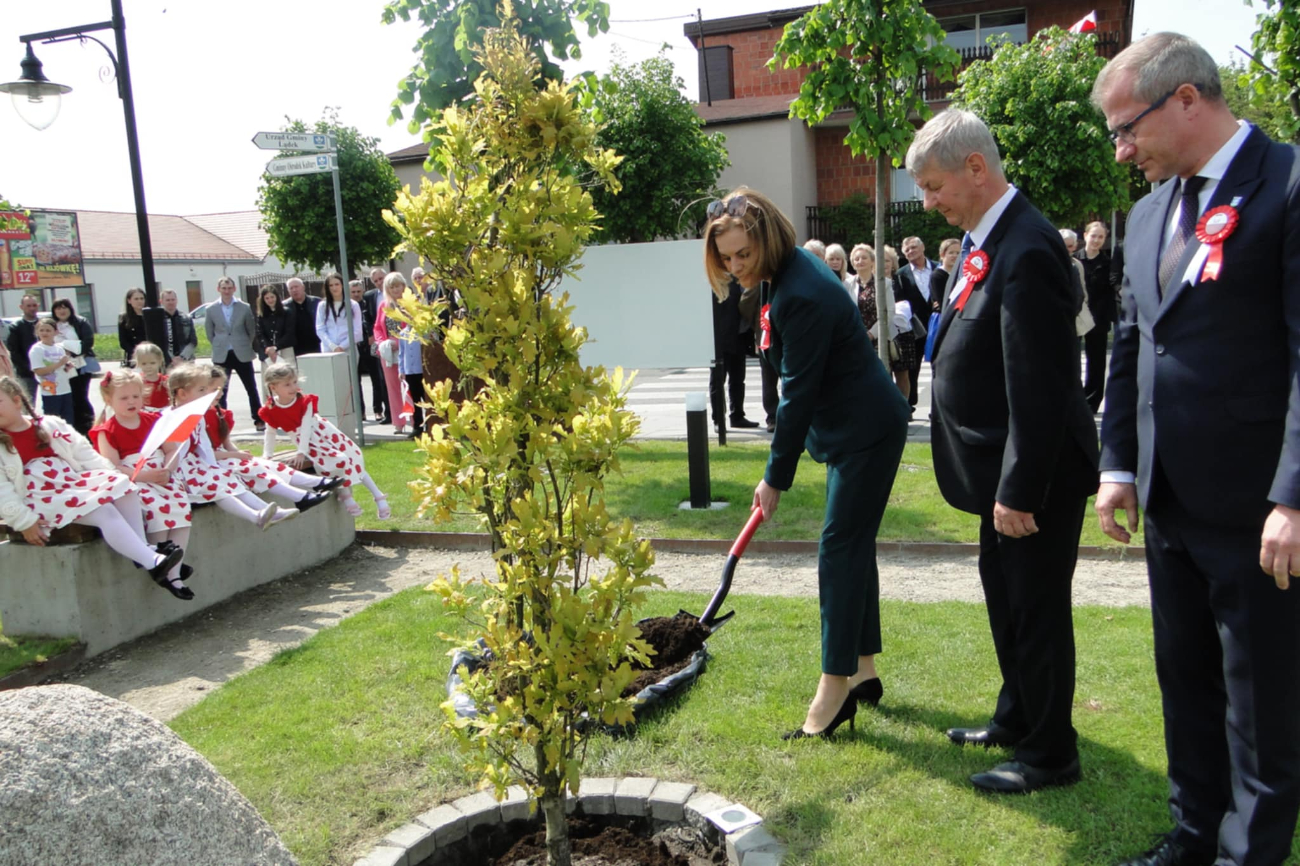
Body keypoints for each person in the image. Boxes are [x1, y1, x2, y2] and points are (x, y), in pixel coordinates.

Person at [1093, 33, 1300, 866]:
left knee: (1260, 697)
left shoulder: (1288, 184)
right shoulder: (1149, 213)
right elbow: (1130, 343)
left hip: (1258, 507)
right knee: (1184, 678)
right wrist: (1118, 464)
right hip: (1170, 498)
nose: (1121, 150)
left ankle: (1248, 852)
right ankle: (1192, 832)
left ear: (1185, 99)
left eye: (1126, 127)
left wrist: (1294, 495)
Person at [906, 109, 1098, 794]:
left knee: (1036, 612)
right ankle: (1017, 717)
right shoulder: (990, 239)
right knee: (1008, 601)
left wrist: (1019, 490)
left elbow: (1042, 386)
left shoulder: (1029, 245)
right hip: (1000, 475)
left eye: (934, 187)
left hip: (1033, 480)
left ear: (976, 168)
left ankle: (1050, 753)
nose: (929, 204)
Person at [704, 187, 908, 739]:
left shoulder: (803, 293)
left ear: (766, 238)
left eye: (743, 254)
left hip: (867, 433)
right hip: (850, 432)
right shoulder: (782, 275)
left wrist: (775, 476)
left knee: (838, 549)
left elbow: (796, 394)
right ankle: (863, 671)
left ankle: (833, 687)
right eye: (727, 257)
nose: (736, 266)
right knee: (852, 546)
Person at [0, 375, 184, 587]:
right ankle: (152, 561)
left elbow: (85, 454)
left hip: (70, 483)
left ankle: (142, 549)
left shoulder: (49, 424)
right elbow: (2, 490)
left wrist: (109, 476)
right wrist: (24, 521)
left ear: (16, 401)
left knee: (123, 485)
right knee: (104, 511)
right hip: (41, 497)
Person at [91, 369, 194, 600]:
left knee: (180, 508)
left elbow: (171, 450)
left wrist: (167, 469)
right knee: (156, 509)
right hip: (135, 479)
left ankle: (175, 571)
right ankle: (159, 563)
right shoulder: (106, 430)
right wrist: (146, 476)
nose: (131, 402)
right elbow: (114, 466)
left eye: (136, 396)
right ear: (109, 400)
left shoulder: (154, 421)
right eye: (124, 398)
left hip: (161, 473)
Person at [259, 362, 391, 519]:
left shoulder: (304, 400)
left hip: (324, 432)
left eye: (294, 382)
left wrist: (301, 452)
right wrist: (267, 455)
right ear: (273, 387)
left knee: (352, 455)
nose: (293, 387)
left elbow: (307, 425)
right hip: (308, 441)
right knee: (338, 461)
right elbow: (270, 432)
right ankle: (346, 494)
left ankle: (377, 494)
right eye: (287, 384)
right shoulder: (270, 409)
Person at [166, 363, 291, 530]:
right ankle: (255, 516)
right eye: (201, 390)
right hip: (180, 470)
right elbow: (175, 452)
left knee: (226, 477)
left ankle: (267, 511)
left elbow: (204, 447)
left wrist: (213, 467)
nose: (206, 394)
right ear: (182, 393)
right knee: (216, 487)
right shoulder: (174, 418)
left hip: (196, 466)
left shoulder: (196, 416)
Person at [200, 366, 334, 512]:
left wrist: (239, 454)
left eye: (221, 389)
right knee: (252, 469)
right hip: (208, 464)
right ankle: (297, 497)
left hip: (222, 459)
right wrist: (235, 455)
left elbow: (226, 444)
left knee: (264, 464)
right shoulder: (196, 418)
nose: (220, 393)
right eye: (214, 389)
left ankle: (312, 486)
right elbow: (204, 454)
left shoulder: (220, 414)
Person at [205, 276, 264, 432]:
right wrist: (220, 344)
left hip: (241, 352)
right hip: (222, 354)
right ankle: (221, 420)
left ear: (234, 289)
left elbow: (250, 330)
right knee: (220, 390)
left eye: (229, 288)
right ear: (218, 289)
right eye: (224, 288)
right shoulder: (211, 309)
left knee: (251, 388)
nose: (227, 291)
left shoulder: (244, 307)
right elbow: (209, 332)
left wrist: (243, 343)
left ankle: (258, 419)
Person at [710, 277, 757, 430]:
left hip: (738, 335)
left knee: (738, 379)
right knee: (718, 380)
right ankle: (718, 419)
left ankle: (737, 416)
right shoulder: (715, 280)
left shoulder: (739, 279)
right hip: (719, 338)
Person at [1076, 221, 1114, 413]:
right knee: (1072, 359)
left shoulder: (1108, 264)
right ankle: (1074, 400)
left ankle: (1091, 403)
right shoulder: (1074, 260)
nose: (1097, 240)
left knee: (1097, 362)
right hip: (1076, 316)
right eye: (1093, 235)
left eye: (1101, 237)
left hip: (1099, 318)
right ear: (1085, 236)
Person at [896, 237, 937, 413]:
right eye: (907, 250)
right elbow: (900, 301)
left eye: (913, 247)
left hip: (937, 324)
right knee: (912, 368)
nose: (911, 251)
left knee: (940, 366)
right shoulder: (901, 274)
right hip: (914, 328)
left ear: (923, 247)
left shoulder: (938, 268)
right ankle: (910, 403)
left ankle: (939, 406)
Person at [50, 298, 96, 435]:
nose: (62, 311)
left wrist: (73, 352)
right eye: (58, 308)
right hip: (59, 367)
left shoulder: (80, 322)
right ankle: (70, 428)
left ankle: (87, 427)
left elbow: (88, 341)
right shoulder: (51, 324)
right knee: (66, 398)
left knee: (80, 397)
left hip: (80, 365)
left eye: (65, 307)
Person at [373, 272, 411, 435]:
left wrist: (400, 342)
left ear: (403, 286)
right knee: (392, 388)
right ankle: (398, 423)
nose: (395, 289)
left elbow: (415, 326)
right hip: (388, 352)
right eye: (391, 287)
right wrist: (383, 343)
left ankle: (414, 421)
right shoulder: (384, 305)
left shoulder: (410, 304)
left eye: (397, 286)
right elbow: (377, 328)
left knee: (408, 387)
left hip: (407, 350)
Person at [26, 318, 76, 426]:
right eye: (41, 330)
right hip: (50, 392)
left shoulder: (59, 348)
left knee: (68, 422)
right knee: (53, 423)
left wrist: (67, 366)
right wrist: (60, 363)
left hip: (65, 389)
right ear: (37, 332)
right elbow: (39, 371)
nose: (44, 333)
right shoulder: (36, 349)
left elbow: (62, 368)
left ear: (55, 332)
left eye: (48, 330)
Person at [361, 268, 389, 423]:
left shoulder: (399, 291)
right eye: (376, 281)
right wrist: (371, 335)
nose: (379, 282)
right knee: (383, 379)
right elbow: (367, 317)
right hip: (380, 341)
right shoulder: (369, 296)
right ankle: (389, 414)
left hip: (398, 339)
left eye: (381, 278)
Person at [5, 292, 40, 399]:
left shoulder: (44, 324)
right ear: (21, 307)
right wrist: (29, 367)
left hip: (48, 372)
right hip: (26, 374)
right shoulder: (16, 327)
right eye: (28, 306)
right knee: (29, 402)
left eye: (34, 305)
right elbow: (14, 352)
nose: (32, 308)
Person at [256, 286, 295, 368]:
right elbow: (260, 333)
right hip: (267, 352)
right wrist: (268, 348)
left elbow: (289, 332)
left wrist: (276, 347)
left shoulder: (287, 312)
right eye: (267, 298)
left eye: (272, 297)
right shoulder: (261, 315)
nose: (270, 300)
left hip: (285, 349)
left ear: (277, 297)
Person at [157, 289, 197, 366]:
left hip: (186, 360)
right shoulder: (158, 320)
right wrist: (171, 358)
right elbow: (159, 342)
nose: (171, 302)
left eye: (173, 299)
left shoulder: (187, 318)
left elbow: (193, 341)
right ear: (161, 301)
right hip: (166, 361)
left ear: (176, 300)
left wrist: (182, 357)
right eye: (168, 300)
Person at [283, 278, 321, 357]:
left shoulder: (317, 302)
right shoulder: (284, 306)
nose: (294, 290)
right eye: (291, 288)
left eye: (296, 287)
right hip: (296, 349)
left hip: (317, 345)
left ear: (303, 287)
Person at [131, 342, 171, 410]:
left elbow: (174, 398)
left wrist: (169, 389)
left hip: (163, 412)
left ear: (160, 361)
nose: (148, 366)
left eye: (152, 363)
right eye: (144, 364)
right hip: (144, 412)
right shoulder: (136, 381)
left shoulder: (166, 380)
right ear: (138, 363)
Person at [117, 288, 147, 367]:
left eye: (142, 298)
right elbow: (123, 341)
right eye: (136, 299)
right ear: (129, 301)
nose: (139, 301)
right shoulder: (124, 318)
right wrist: (135, 352)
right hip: (133, 356)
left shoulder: (150, 316)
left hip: (150, 353)